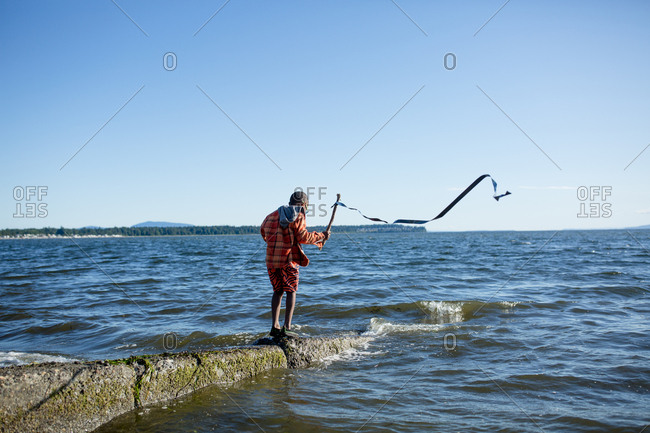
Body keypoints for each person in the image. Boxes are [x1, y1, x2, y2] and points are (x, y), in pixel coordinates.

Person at [260, 191, 330, 338]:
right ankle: (287, 326)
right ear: (303, 204)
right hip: (288, 259)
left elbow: (263, 231)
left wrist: (274, 244)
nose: (306, 209)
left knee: (277, 291)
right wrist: (322, 236)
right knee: (291, 290)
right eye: (307, 206)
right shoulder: (299, 214)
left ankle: (274, 326)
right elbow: (303, 237)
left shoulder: (272, 215)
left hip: (271, 260)